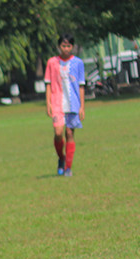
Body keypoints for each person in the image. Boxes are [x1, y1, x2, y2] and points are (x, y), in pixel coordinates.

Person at [45, 33, 85, 177]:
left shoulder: (78, 63)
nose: (66, 48)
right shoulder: (52, 62)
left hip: (73, 103)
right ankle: (61, 158)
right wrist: (48, 103)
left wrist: (82, 106)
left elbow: (81, 86)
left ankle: (68, 167)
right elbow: (48, 83)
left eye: (68, 46)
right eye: (63, 45)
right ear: (59, 46)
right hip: (57, 102)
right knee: (58, 133)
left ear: (72, 47)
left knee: (69, 133)